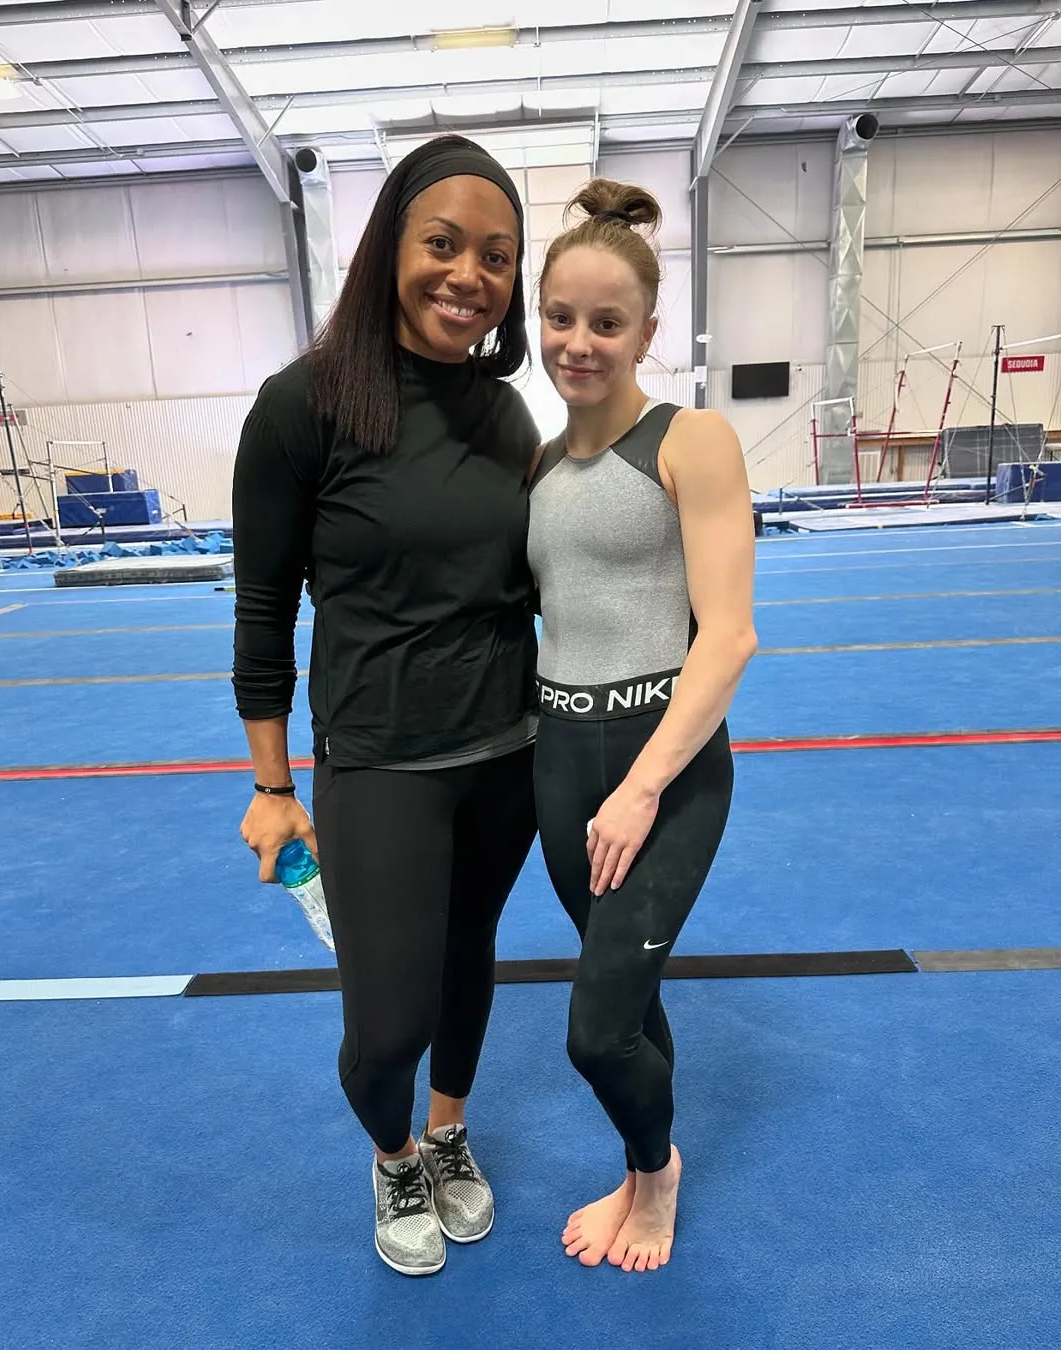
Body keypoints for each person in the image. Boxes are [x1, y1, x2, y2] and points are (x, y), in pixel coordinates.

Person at [231, 135, 542, 1277]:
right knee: (385, 1028)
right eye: (444, 245)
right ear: (391, 249)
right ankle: (396, 1148)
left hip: (507, 754)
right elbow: (262, 617)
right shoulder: (302, 408)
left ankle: (449, 1133)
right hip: (377, 766)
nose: (469, 276)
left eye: (497, 258)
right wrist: (273, 788)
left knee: (471, 959)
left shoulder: (507, 420)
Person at [528, 180, 757, 1273]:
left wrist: (643, 785)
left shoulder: (691, 439)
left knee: (594, 1026)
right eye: (560, 318)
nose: (579, 342)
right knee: (630, 988)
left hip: (659, 777)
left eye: (606, 323)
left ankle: (656, 1176)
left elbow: (728, 640)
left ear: (646, 333)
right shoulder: (537, 470)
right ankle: (634, 1165)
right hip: (561, 762)